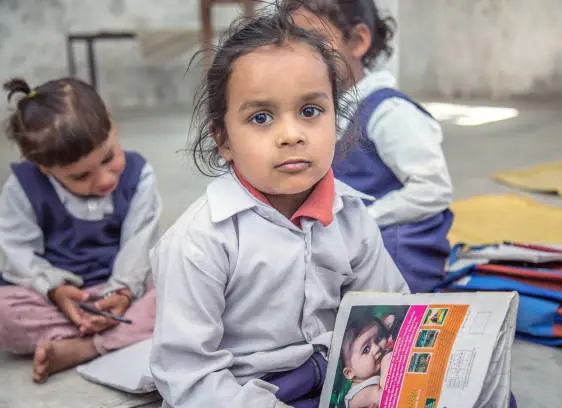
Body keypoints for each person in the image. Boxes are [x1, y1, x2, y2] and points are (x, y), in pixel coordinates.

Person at [149, 4, 408, 408]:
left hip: (336, 377)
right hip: (245, 392)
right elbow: (189, 375)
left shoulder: (352, 216)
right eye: (262, 117)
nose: (291, 135)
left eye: (310, 111)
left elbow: (390, 308)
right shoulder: (199, 242)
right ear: (224, 140)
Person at [0, 77, 161, 383]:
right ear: (44, 168)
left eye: (109, 157)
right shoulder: (22, 187)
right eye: (80, 176)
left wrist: (123, 291)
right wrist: (55, 290)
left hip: (126, 292)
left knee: (181, 287)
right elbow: (18, 254)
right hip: (58, 300)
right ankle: (116, 334)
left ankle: (84, 347)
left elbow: (139, 245)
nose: (103, 180)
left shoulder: (140, 176)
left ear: (112, 126)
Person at [288, 0, 454, 293]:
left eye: (314, 40)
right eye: (293, 44)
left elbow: (433, 189)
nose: (301, 57)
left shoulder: (389, 111)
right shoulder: (318, 112)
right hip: (348, 246)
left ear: (358, 41)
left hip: (399, 252)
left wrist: (366, 220)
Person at [340, 314, 395, 408]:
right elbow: (387, 397)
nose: (377, 348)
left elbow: (391, 318)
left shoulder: (369, 375)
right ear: (349, 372)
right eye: (366, 350)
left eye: (378, 339)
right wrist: (386, 363)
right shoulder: (358, 395)